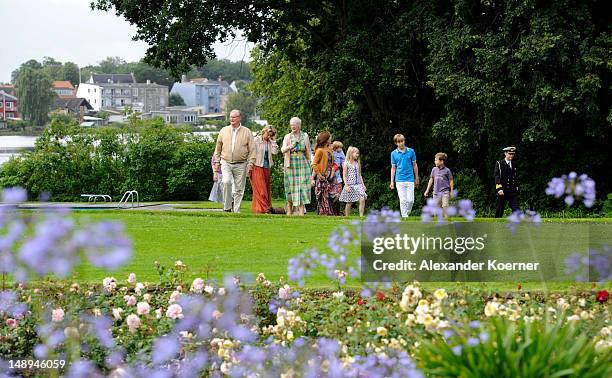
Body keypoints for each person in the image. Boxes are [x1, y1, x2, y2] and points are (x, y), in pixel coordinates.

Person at [213, 109, 255, 213]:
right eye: (230, 117)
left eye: (234, 117)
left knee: (239, 189)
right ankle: (227, 207)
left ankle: (236, 210)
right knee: (226, 182)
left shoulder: (247, 131)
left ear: (239, 118)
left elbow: (252, 149)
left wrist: (251, 163)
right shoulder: (223, 130)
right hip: (226, 162)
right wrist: (217, 162)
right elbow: (218, 147)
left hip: (241, 164)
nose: (231, 119)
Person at [281, 117, 312, 216]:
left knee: (303, 186)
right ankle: (289, 210)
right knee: (290, 187)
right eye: (291, 124)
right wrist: (290, 146)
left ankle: (302, 211)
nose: (293, 126)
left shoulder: (305, 136)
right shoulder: (287, 136)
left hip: (303, 163)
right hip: (291, 164)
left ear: (299, 125)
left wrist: (309, 162)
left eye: (294, 124)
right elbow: (282, 150)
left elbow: (308, 151)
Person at [250, 126, 279, 213]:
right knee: (261, 190)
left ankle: (260, 209)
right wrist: (249, 165)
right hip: (257, 166)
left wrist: (273, 140)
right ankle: (266, 208)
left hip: (266, 167)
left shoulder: (270, 142)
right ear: (264, 131)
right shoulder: (256, 140)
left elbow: (275, 152)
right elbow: (251, 152)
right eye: (268, 132)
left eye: (271, 133)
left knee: (266, 189)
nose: (269, 135)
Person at [389, 134, 419, 218]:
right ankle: (404, 217)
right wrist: (392, 182)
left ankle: (407, 213)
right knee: (402, 200)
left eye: (402, 141)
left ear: (404, 141)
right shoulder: (393, 153)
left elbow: (415, 165)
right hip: (399, 180)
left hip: (410, 179)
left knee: (411, 200)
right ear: (396, 143)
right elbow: (393, 168)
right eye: (399, 142)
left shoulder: (411, 151)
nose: (401, 143)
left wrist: (417, 177)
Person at [311, 131, 337, 216]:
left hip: (330, 177)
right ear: (326, 139)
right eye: (329, 137)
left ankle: (329, 212)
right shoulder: (320, 150)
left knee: (333, 196)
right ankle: (323, 214)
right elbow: (314, 164)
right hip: (322, 177)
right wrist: (319, 175)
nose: (331, 139)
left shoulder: (329, 150)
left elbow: (331, 163)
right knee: (323, 197)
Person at [423, 152, 454, 217]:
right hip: (436, 192)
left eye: (436, 160)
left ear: (441, 161)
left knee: (445, 206)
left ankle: (446, 220)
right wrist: (427, 190)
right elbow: (431, 180)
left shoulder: (447, 170)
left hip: (445, 192)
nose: (435, 162)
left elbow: (451, 180)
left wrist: (451, 191)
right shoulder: (434, 169)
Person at [339, 146, 367, 217]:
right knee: (349, 202)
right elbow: (344, 176)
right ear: (351, 154)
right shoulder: (346, 163)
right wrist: (346, 185)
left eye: (358, 153)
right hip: (350, 185)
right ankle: (347, 216)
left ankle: (361, 216)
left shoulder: (357, 163)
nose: (357, 155)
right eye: (356, 153)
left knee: (362, 199)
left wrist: (363, 185)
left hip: (358, 185)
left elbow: (360, 175)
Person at [494, 146, 519, 217]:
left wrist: (516, 186)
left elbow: (515, 176)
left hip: (512, 190)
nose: (511, 155)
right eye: (509, 154)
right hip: (502, 190)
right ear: (505, 153)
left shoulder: (514, 164)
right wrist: (499, 188)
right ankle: (496, 225)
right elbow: (497, 176)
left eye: (512, 154)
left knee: (516, 208)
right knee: (499, 209)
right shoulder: (499, 163)